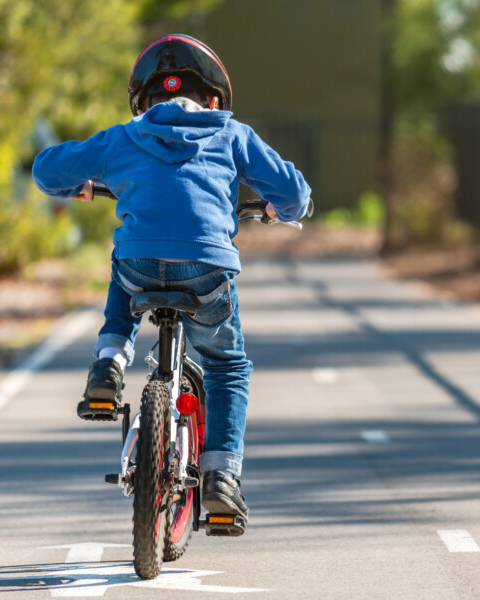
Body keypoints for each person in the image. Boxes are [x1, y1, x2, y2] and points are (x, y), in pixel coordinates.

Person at [31, 34, 311, 528]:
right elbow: (293, 192)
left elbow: (46, 169)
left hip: (139, 268)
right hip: (206, 271)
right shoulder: (232, 133)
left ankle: (109, 362)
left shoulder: (124, 137)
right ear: (215, 99)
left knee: (126, 258)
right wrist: (279, 208)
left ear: (144, 102)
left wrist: (82, 184)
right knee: (227, 367)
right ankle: (222, 479)